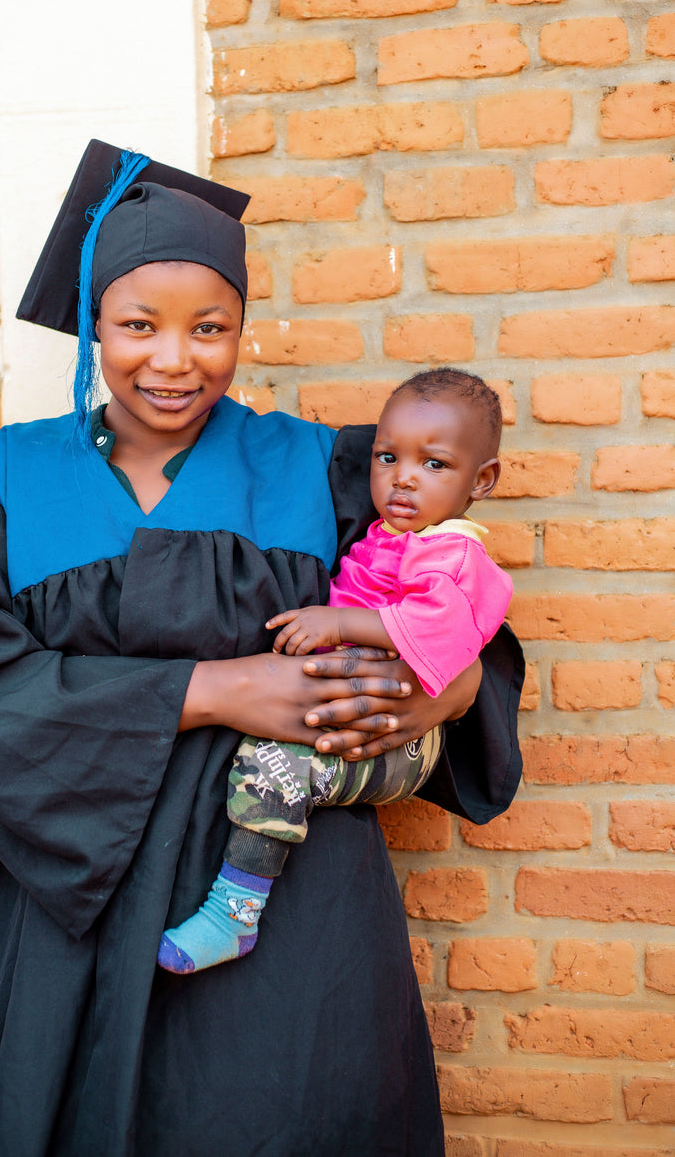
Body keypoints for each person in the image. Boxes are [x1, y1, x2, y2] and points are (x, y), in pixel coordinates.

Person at [0, 139, 524, 1157]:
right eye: (137, 327)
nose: (174, 359)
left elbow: (460, 615)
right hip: (62, 891)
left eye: (211, 328)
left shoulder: (324, 468)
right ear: (93, 326)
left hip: (286, 894)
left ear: (242, 328)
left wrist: (434, 700)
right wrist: (220, 688)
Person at [158, 368, 513, 975]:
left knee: (278, 769)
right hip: (363, 710)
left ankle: (235, 912)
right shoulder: (394, 536)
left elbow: (439, 631)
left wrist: (339, 625)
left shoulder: (452, 552)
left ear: (481, 480)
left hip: (399, 738)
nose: (403, 478)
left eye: (434, 465)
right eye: (387, 457)